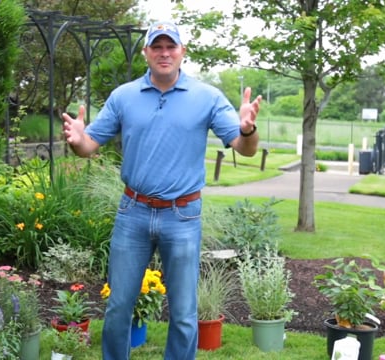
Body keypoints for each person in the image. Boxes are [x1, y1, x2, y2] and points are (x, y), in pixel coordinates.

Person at [62, 20, 261, 360]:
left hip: (182, 215)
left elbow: (246, 149)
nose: (164, 53)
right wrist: (79, 140)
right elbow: (88, 146)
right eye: (157, 46)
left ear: (182, 52)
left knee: (184, 313)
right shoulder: (124, 97)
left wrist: (248, 129)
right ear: (146, 53)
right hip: (133, 213)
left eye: (171, 47)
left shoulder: (207, 97)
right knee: (118, 307)